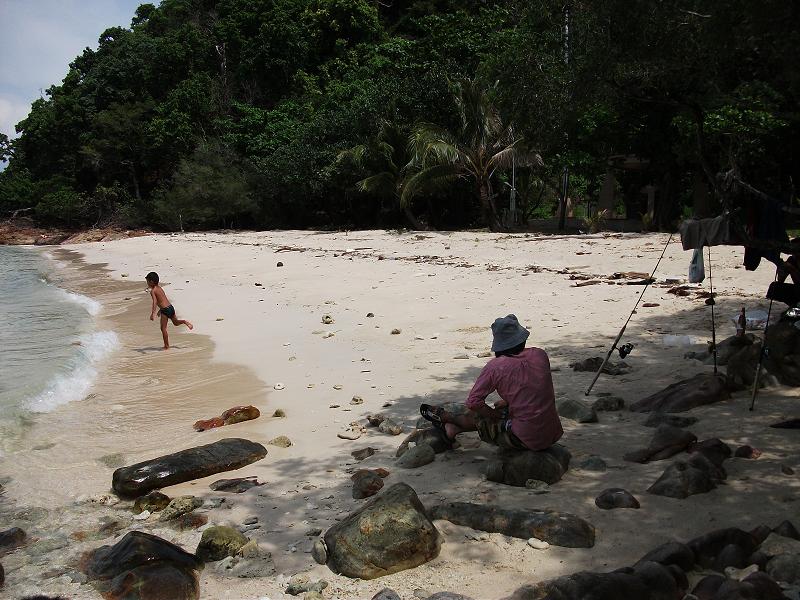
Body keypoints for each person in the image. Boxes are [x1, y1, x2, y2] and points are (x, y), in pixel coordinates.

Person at [420, 314, 563, 451]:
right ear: (522, 339)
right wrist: (508, 402)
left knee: (482, 415)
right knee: (500, 409)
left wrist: (493, 415)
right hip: (552, 433)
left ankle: (448, 420)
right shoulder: (539, 354)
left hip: (524, 439)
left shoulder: (496, 367)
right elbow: (530, 386)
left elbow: (474, 402)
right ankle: (454, 428)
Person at [145, 271, 193, 349]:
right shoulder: (159, 288)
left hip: (165, 310)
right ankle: (184, 321)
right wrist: (160, 310)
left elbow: (155, 302)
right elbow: (163, 300)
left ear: (151, 282)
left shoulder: (153, 291)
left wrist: (153, 313)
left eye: (147, 281)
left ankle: (166, 346)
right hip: (170, 307)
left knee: (163, 328)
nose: (147, 283)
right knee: (176, 323)